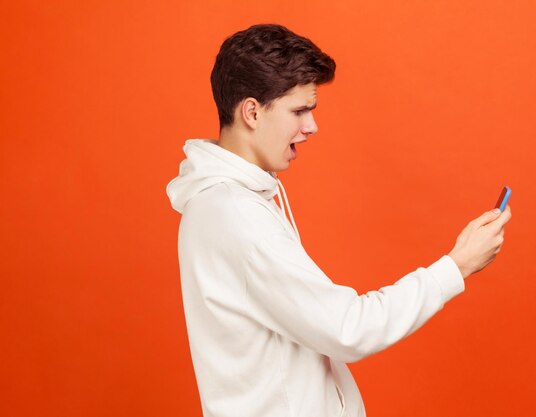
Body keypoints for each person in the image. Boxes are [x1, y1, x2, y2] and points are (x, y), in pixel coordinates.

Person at [166, 23, 512, 417]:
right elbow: (348, 328)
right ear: (252, 112)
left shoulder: (238, 201)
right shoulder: (234, 214)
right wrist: (457, 266)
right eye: (299, 110)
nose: (311, 126)